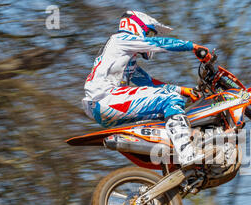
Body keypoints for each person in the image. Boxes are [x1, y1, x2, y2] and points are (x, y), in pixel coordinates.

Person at [82, 11, 212, 167]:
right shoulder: (121, 39)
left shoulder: (124, 57)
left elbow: (150, 83)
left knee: (166, 110)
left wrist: (185, 91)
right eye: (149, 33)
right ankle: (186, 153)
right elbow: (160, 44)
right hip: (106, 99)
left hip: (104, 106)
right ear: (137, 26)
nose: (151, 37)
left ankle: (173, 162)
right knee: (170, 98)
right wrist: (193, 47)